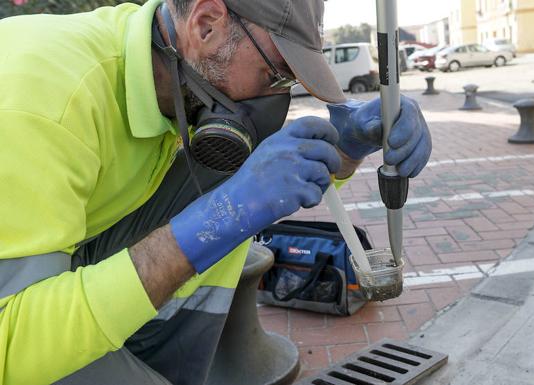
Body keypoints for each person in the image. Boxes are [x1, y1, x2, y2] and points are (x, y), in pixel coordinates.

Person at [0, 0, 432, 383]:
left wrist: (345, 150)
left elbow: (251, 186)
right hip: (16, 335)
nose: (277, 100)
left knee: (223, 174)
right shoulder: (44, 99)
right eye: (275, 75)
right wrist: (220, 217)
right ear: (206, 24)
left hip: (63, 273)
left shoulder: (174, 78)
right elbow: (9, 343)